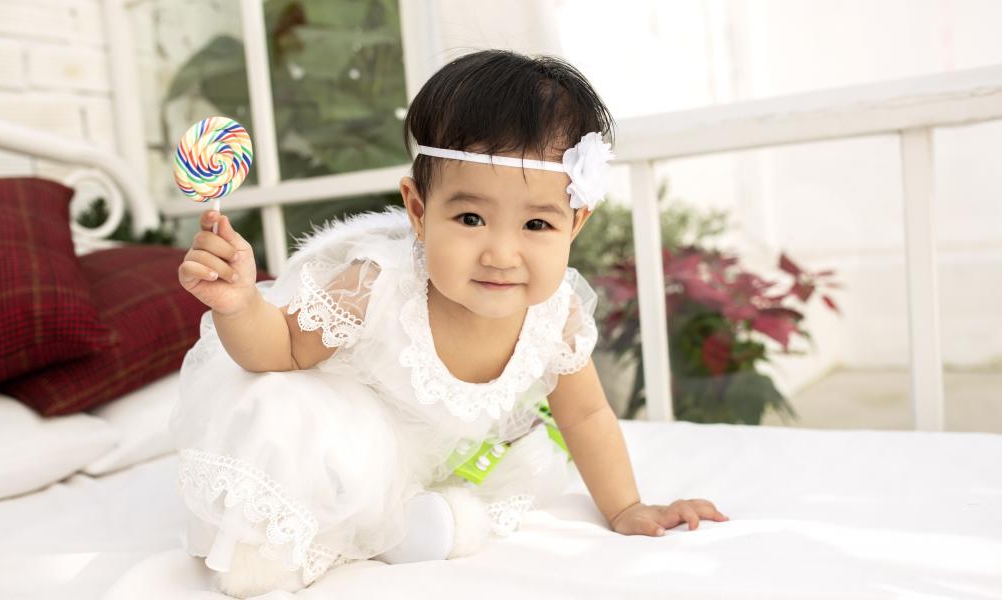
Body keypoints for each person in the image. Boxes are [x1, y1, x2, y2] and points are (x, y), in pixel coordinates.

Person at [171, 49, 729, 598]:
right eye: (470, 218)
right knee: (288, 414)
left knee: (500, 480)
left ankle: (401, 523)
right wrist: (239, 304)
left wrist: (627, 507)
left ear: (575, 224)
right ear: (418, 211)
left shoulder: (556, 315)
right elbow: (282, 350)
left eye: (537, 224)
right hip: (356, 433)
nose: (501, 254)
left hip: (441, 455)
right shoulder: (378, 284)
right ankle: (284, 544)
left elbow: (586, 414)